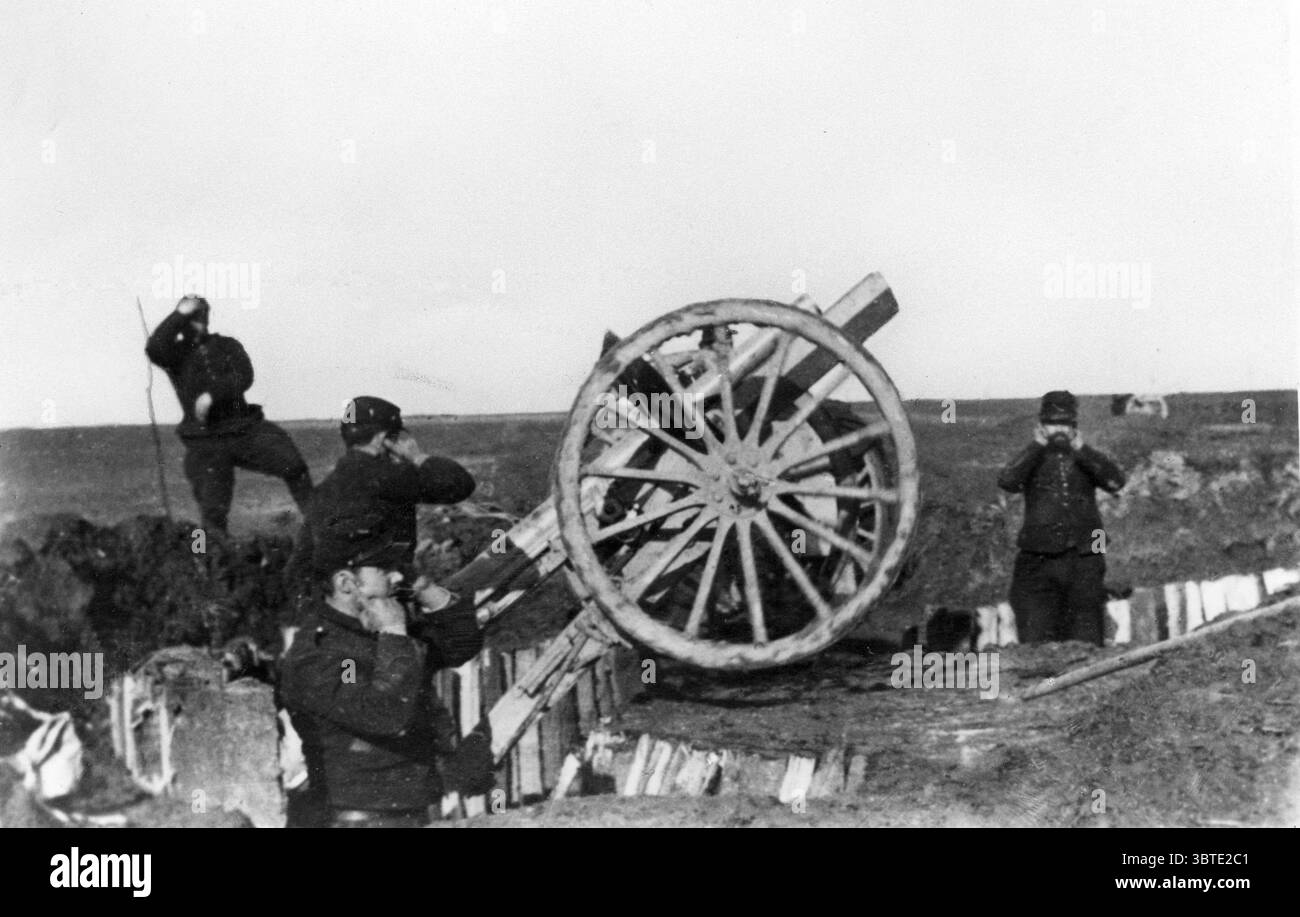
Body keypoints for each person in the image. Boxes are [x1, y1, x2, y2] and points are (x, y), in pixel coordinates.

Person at [278, 530, 487, 827]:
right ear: (346, 583)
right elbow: (383, 713)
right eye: (384, 568)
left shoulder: (372, 631)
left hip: (400, 812)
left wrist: (423, 586)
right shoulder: (320, 653)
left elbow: (461, 644)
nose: (397, 578)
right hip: (353, 819)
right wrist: (395, 635)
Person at [283, 396, 476, 643]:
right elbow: (460, 484)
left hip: (338, 612)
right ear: (384, 438)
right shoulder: (389, 477)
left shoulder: (325, 489)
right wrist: (416, 456)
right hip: (384, 613)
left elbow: (298, 567)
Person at [145, 295, 313, 534]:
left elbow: (244, 376)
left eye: (202, 317)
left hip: (245, 429)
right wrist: (179, 313)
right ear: (182, 323)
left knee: (294, 465)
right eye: (191, 319)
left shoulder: (227, 346)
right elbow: (154, 348)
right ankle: (206, 556)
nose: (199, 323)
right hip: (205, 441)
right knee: (213, 510)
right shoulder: (175, 355)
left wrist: (212, 395)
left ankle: (321, 532)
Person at [997, 390, 1126, 645]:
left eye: (1065, 424)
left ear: (1074, 427)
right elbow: (1008, 481)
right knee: (1036, 638)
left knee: (1086, 638)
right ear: (1041, 427)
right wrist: (1035, 447)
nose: (1059, 430)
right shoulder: (1033, 457)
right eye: (1053, 423)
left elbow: (1115, 481)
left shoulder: (1085, 458)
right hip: (1038, 560)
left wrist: (1082, 450)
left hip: (1084, 560)